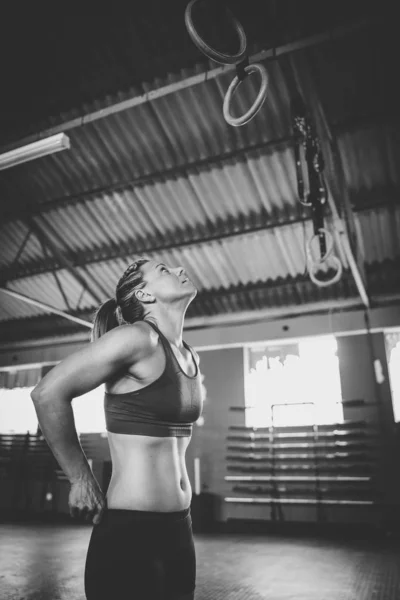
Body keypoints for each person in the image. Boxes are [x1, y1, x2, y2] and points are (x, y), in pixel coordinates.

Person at [31, 257, 204, 600]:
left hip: (180, 528)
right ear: (144, 294)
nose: (181, 269)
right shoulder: (138, 338)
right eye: (164, 271)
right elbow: (48, 393)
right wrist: (80, 479)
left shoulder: (190, 355)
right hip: (131, 532)